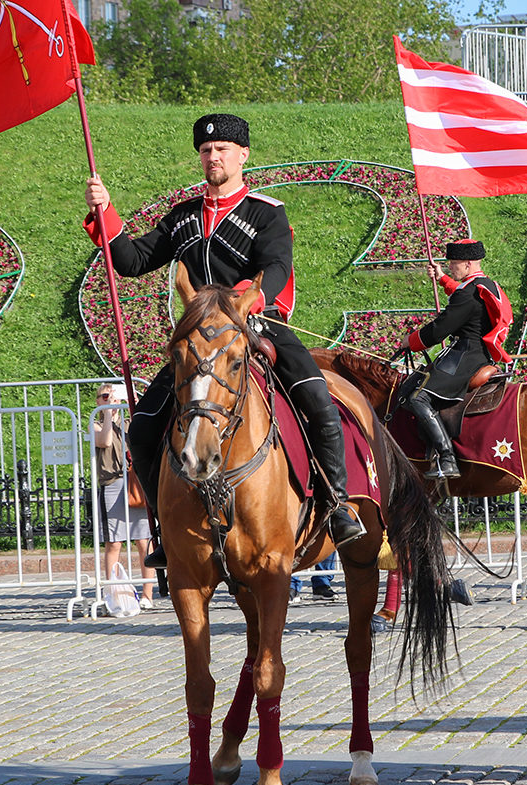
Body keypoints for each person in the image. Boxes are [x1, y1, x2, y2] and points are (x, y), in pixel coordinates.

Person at [84, 112, 365, 569]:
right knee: (142, 426)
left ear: (242, 155)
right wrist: (106, 212)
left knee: (318, 398)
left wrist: (248, 300)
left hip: (257, 325)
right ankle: (162, 528)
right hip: (199, 342)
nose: (212, 157)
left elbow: (276, 267)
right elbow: (132, 260)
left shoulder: (266, 212)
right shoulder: (182, 218)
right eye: (205, 150)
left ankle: (336, 506)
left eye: (221, 150)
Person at [392, 239, 513, 479]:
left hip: (465, 356)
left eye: (454, 264)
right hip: (479, 352)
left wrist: (412, 341)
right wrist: (442, 279)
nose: (451, 268)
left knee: (417, 397)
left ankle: (447, 459)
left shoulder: (468, 293)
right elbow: (463, 296)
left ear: (467, 264)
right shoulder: (486, 285)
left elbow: (440, 329)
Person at [93, 383, 157, 609]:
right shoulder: (96, 424)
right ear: (98, 401)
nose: (109, 399)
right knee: (115, 543)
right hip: (111, 483)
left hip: (134, 484)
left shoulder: (130, 425)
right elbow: (105, 441)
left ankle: (148, 593)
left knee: (143, 541)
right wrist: (109, 414)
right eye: (104, 396)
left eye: (112, 396)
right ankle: (114, 594)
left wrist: (124, 408)